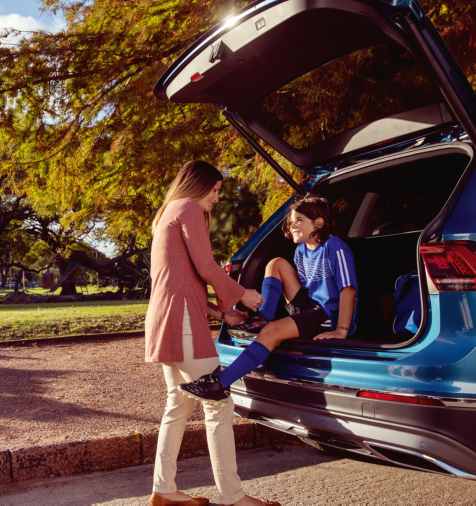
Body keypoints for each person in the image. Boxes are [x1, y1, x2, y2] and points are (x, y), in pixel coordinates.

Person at [145, 161, 278, 506]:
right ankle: (234, 498)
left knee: (179, 402)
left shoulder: (166, 214)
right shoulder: (188, 207)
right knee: (218, 403)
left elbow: (180, 280)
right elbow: (206, 267)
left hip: (166, 317)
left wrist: (223, 313)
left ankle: (165, 491)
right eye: (215, 189)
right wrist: (242, 294)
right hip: (182, 320)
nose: (217, 198)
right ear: (197, 184)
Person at [177, 194, 359, 405]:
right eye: (291, 222)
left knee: (271, 332)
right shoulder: (300, 251)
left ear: (318, 223)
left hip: (329, 315)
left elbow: (349, 290)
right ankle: (263, 318)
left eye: (299, 220)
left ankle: (220, 383)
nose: (293, 226)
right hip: (312, 308)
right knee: (276, 263)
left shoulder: (334, 245)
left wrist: (341, 330)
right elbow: (302, 289)